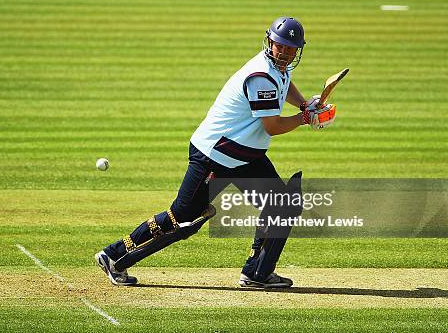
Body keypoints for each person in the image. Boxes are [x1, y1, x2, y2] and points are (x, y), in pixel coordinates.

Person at [95, 17, 336, 288]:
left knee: (283, 204)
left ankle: (257, 273)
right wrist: (306, 119)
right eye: (281, 46)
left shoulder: (278, 68)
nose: (285, 53)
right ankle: (114, 255)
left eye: (291, 49)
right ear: (270, 41)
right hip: (215, 155)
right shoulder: (260, 76)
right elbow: (271, 126)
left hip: (245, 156)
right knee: (182, 219)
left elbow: (285, 85)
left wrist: (305, 104)